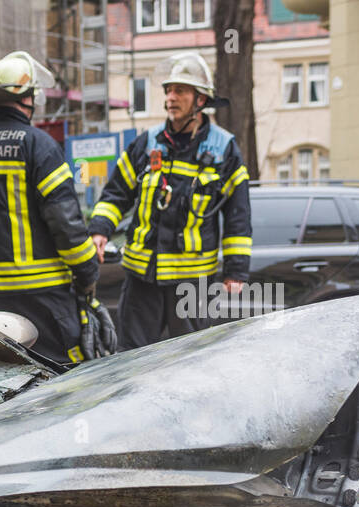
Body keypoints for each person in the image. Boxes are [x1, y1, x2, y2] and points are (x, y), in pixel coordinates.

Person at [0, 51, 106, 366]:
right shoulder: (39, 146)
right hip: (42, 297)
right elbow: (66, 225)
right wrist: (87, 273)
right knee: (54, 376)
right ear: (28, 98)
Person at [86, 52, 252, 349]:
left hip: (191, 283)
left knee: (190, 363)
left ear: (201, 100)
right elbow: (116, 192)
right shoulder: (147, 144)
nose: (170, 97)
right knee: (131, 362)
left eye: (180, 91)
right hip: (141, 279)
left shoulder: (224, 148)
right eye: (168, 90)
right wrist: (100, 229)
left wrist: (236, 271)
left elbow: (238, 214)